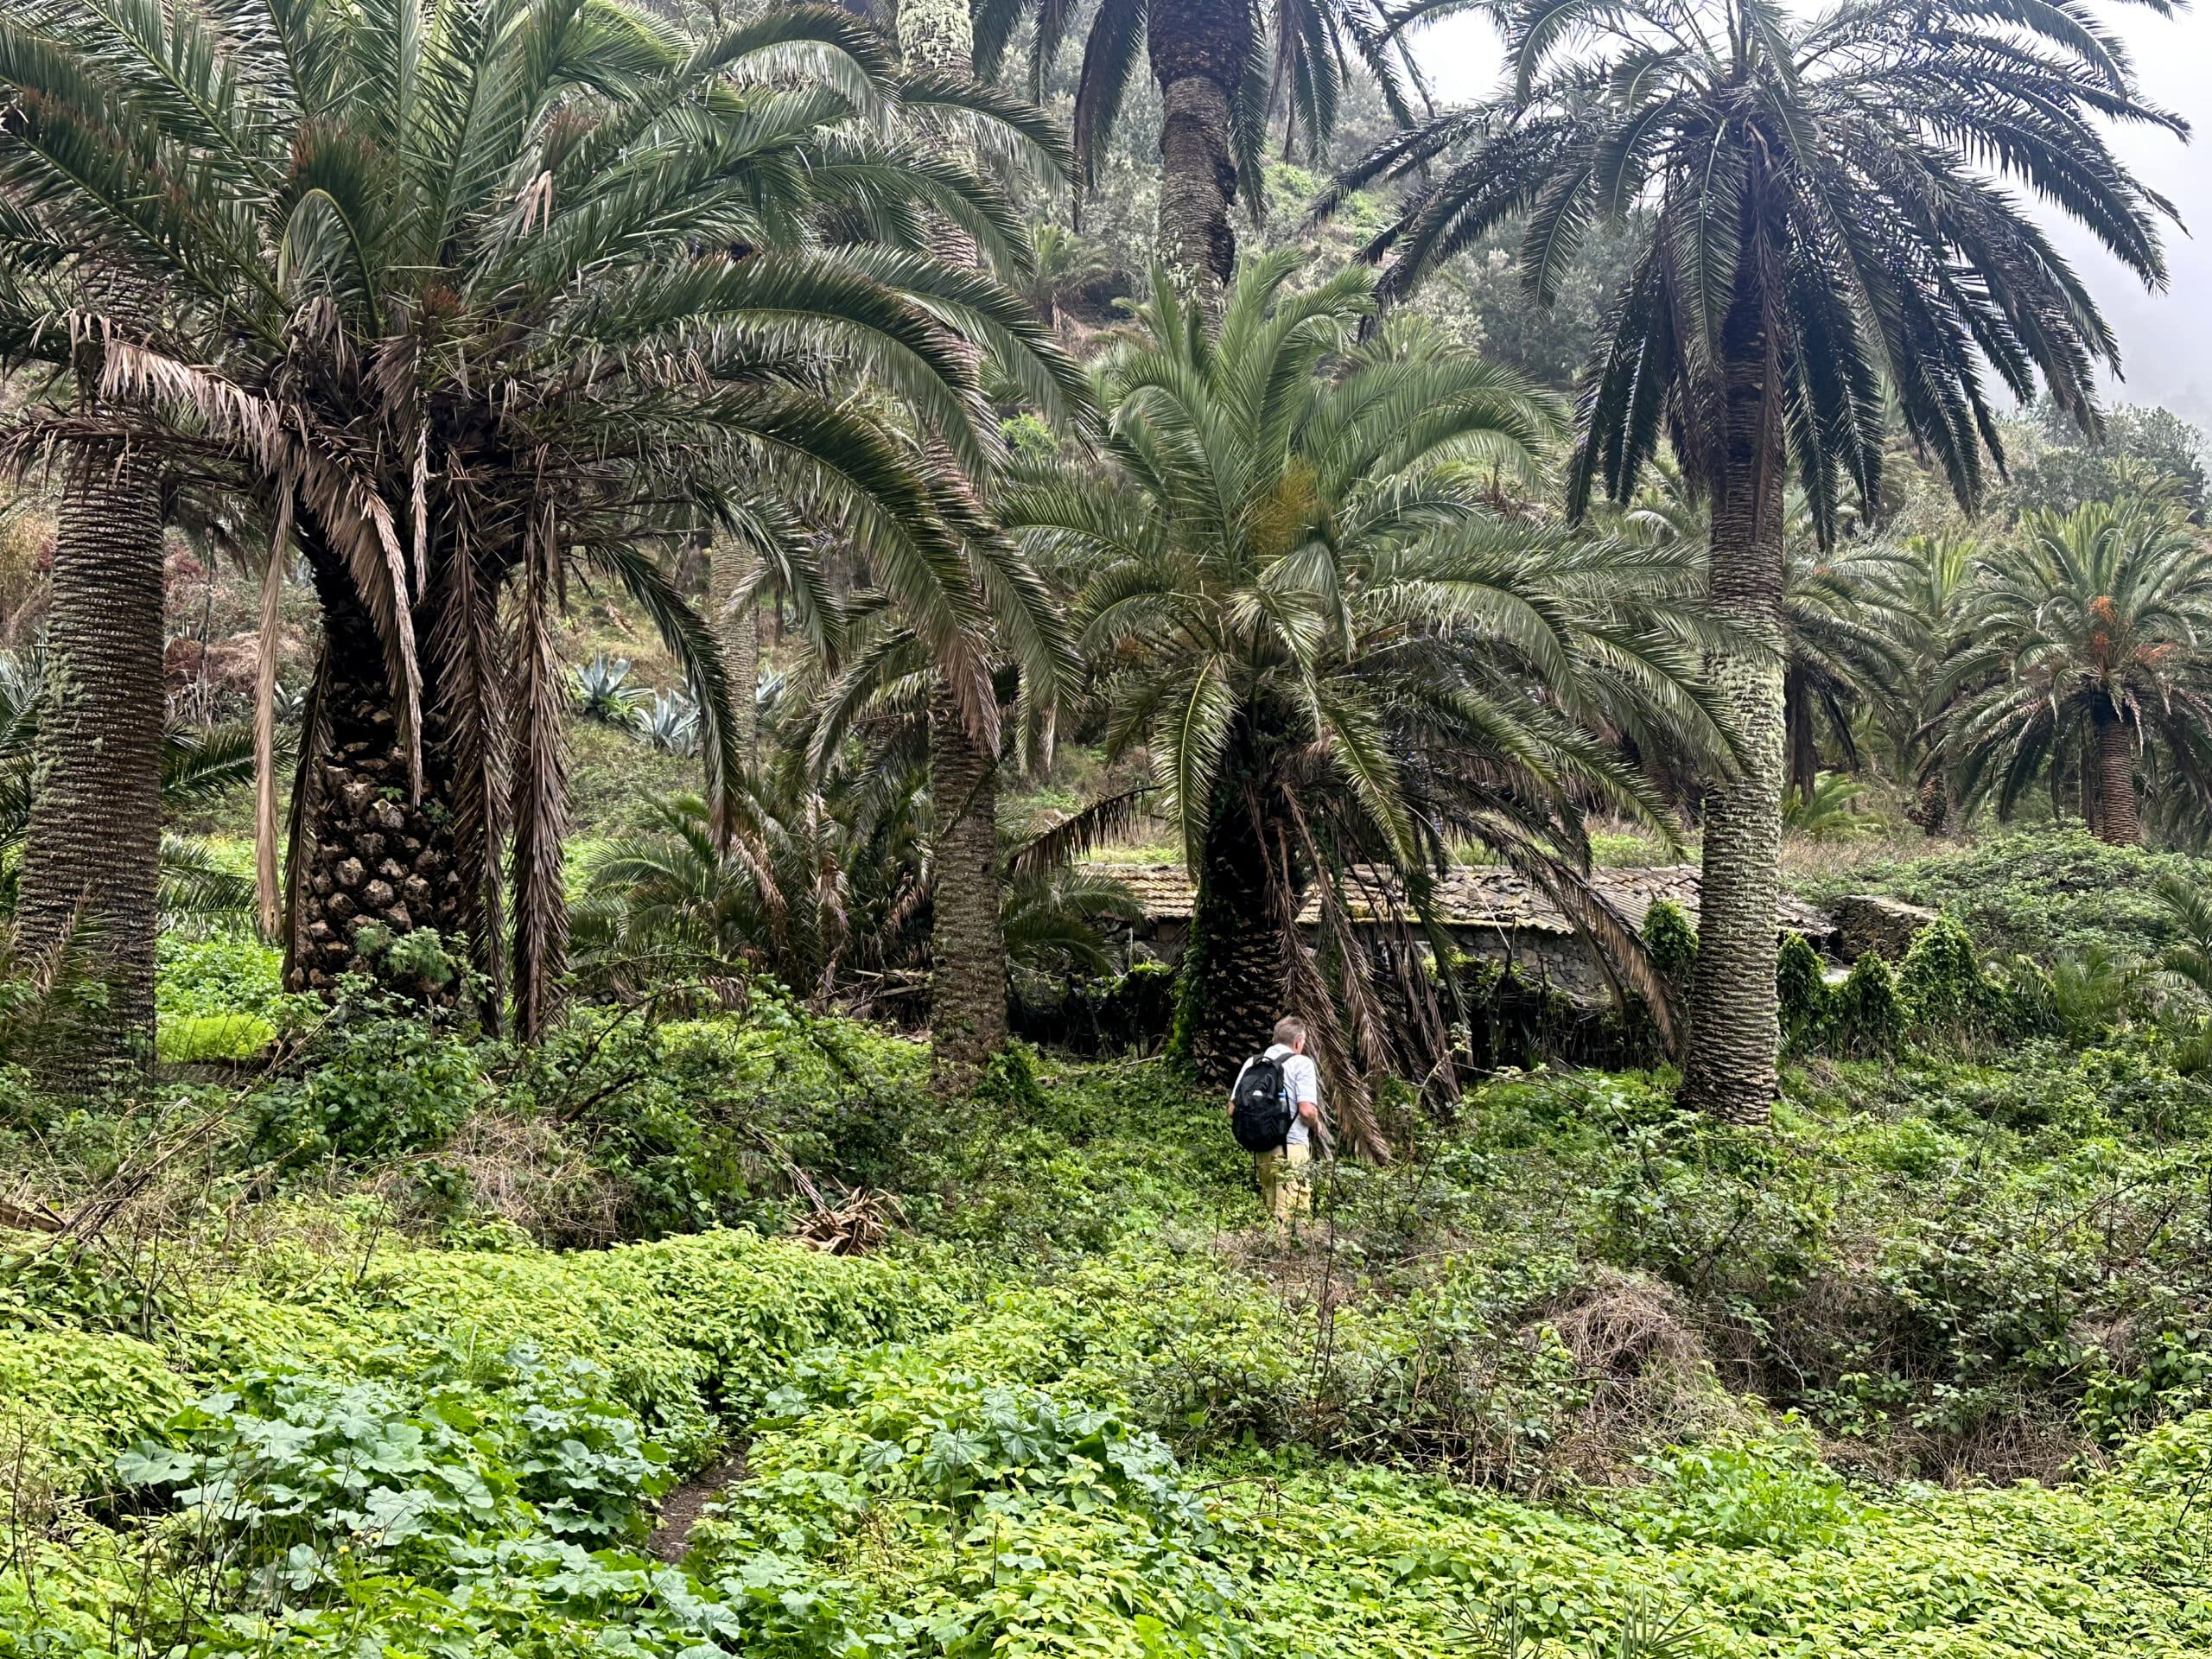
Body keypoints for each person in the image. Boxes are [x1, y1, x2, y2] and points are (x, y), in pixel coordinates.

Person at [1234, 1016, 1321, 1233]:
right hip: (1291, 1150)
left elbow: (1232, 1109)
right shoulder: (1302, 1063)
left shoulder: (1253, 1063)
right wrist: (1316, 1124)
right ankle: (1288, 1264)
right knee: (1292, 1219)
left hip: (1262, 1151)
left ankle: (1268, 1261)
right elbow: (1306, 1110)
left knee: (1272, 1212)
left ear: (1274, 1039)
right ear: (1299, 1042)